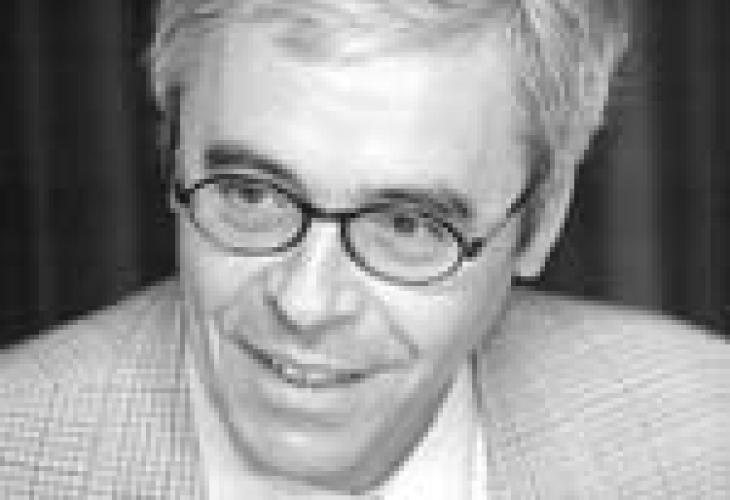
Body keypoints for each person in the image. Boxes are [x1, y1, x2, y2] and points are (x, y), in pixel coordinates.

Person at [2, 0, 729, 498]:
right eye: (251, 194)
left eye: (407, 225)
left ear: (540, 223)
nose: (306, 303)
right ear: (172, 159)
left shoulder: (707, 429)